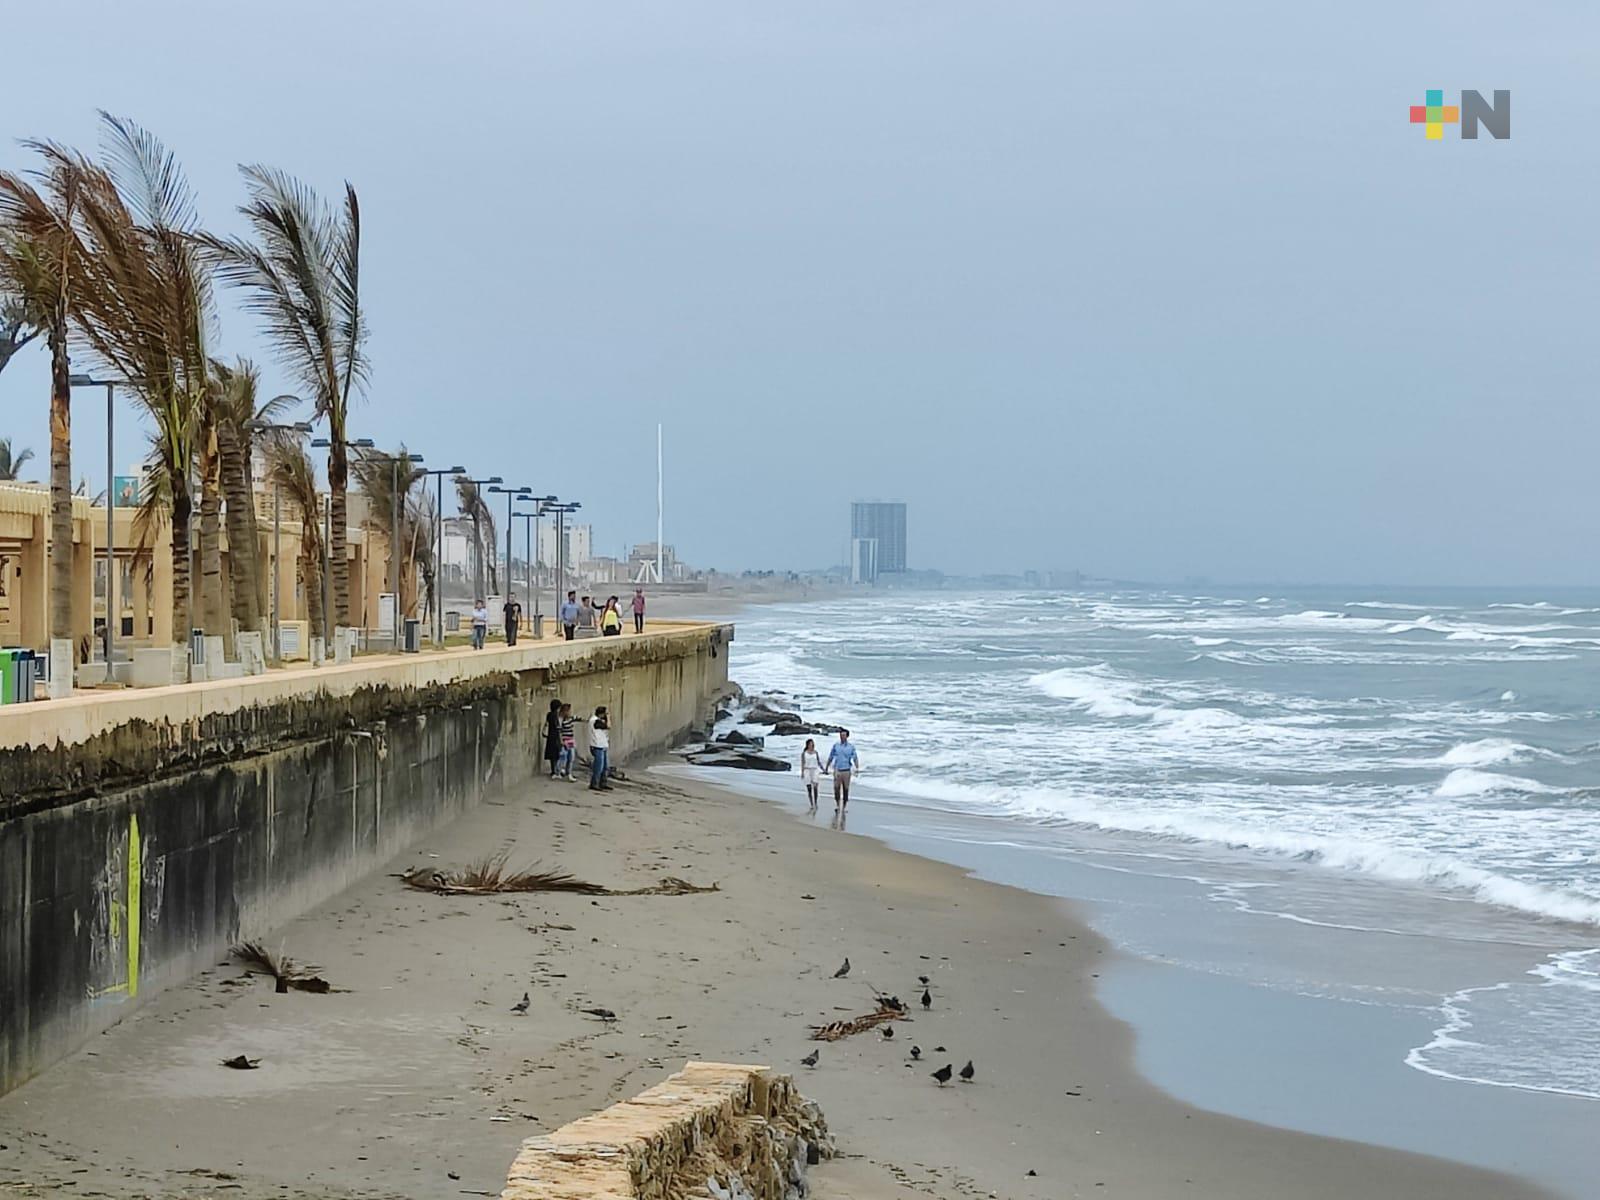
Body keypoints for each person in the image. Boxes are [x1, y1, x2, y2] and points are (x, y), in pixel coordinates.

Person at [824, 729, 859, 809]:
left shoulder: (851, 747)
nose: (842, 737)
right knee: (836, 788)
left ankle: (844, 806)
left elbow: (855, 758)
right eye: (841, 735)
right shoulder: (836, 745)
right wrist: (826, 767)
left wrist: (857, 768)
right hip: (837, 769)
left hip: (846, 770)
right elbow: (831, 756)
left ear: (847, 736)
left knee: (846, 789)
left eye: (843, 735)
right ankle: (837, 804)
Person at [588, 705, 613, 790]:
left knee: (605, 766)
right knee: (599, 767)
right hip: (597, 746)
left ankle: (603, 782)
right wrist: (608, 717)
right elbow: (608, 726)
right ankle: (594, 783)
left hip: (603, 746)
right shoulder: (595, 721)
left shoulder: (598, 720)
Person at [799, 737, 823, 811]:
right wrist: (802, 772)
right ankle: (811, 803)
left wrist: (823, 768)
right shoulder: (804, 753)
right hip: (807, 770)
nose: (811, 746)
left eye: (812, 744)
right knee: (809, 788)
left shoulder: (816, 753)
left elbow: (818, 762)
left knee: (815, 787)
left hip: (814, 769)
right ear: (807, 745)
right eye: (810, 744)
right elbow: (803, 763)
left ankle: (815, 802)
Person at [556, 703, 576, 779]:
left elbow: (578, 718)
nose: (569, 712)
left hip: (570, 740)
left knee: (571, 757)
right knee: (563, 756)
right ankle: (559, 771)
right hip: (564, 740)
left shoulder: (570, 718)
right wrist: (561, 740)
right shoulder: (560, 720)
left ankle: (569, 773)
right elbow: (559, 731)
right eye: (568, 711)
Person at [543, 698, 562, 777]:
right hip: (555, 737)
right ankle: (556, 771)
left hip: (550, 736)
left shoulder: (549, 714)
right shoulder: (555, 715)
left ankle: (553, 770)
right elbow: (557, 726)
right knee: (556, 754)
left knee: (552, 755)